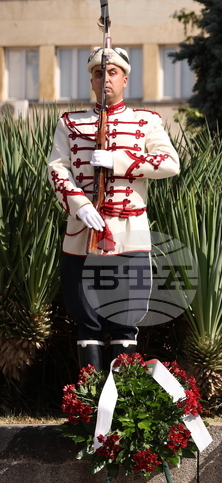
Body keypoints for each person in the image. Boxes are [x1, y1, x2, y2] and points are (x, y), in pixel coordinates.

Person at [47, 47, 180, 370]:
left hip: (129, 235)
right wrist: (79, 206)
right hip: (81, 236)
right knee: (87, 322)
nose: (104, 78)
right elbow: (57, 168)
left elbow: (169, 163)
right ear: (90, 80)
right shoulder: (70, 123)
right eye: (97, 73)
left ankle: (125, 405)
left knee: (126, 319)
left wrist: (118, 161)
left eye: (111, 73)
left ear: (125, 79)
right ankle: (88, 404)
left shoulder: (146, 121)